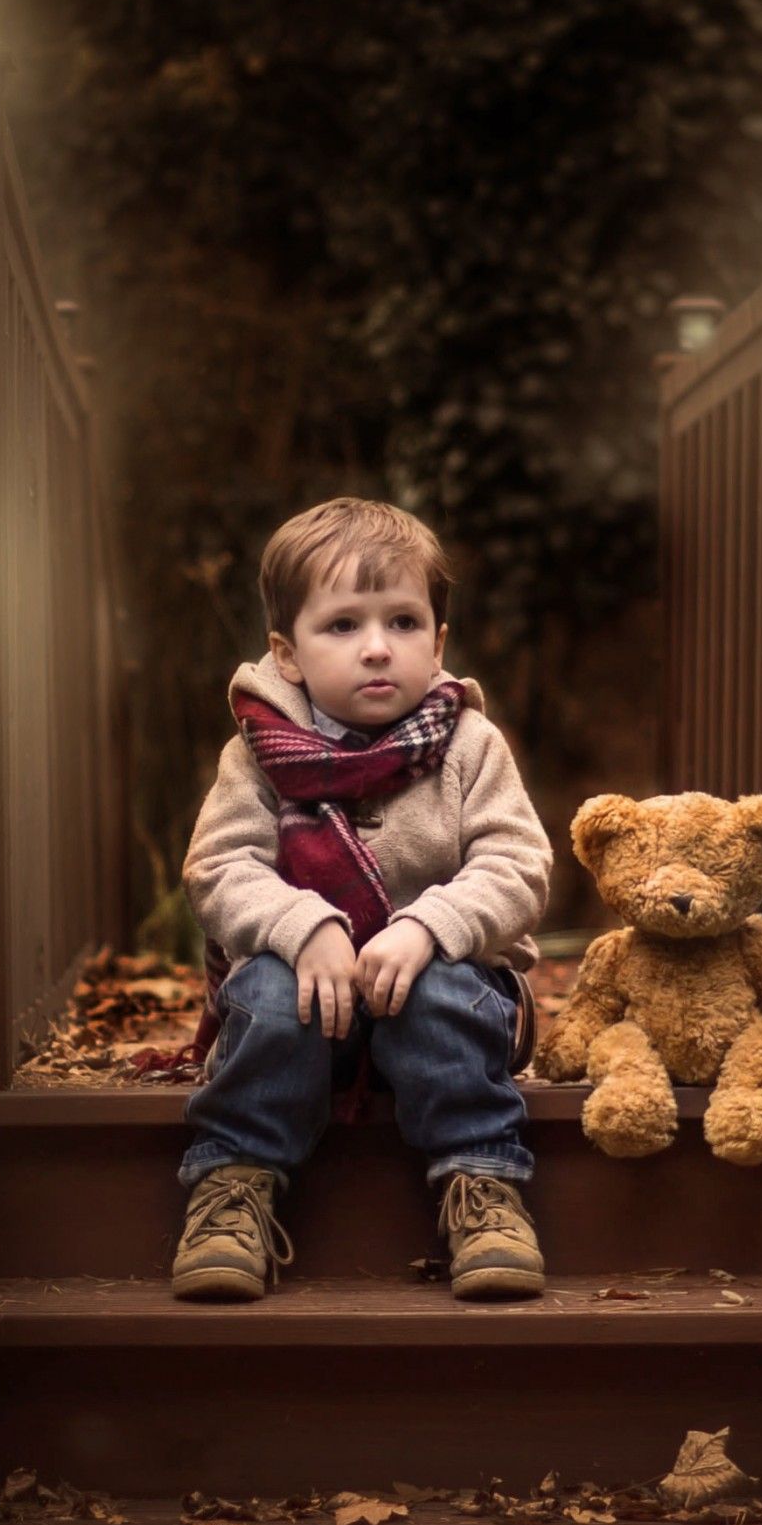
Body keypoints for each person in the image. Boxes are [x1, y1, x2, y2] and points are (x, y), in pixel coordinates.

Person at [173, 497, 553, 1303]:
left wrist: (429, 926)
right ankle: (235, 1183)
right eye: (343, 626)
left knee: (445, 989)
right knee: (271, 993)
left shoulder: (469, 744)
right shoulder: (258, 754)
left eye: (405, 622)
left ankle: (481, 1183)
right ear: (289, 652)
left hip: (443, 996)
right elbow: (217, 867)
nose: (378, 649)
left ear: (440, 640)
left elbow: (518, 863)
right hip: (314, 1001)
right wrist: (300, 926)